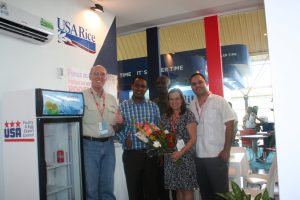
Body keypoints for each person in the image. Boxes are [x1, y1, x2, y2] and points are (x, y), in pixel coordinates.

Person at [189, 72, 234, 200]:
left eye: (200, 82)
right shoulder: (192, 105)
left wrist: (227, 150)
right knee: (205, 193)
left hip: (217, 155)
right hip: (199, 157)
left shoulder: (220, 101)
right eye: (193, 84)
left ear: (206, 83)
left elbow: (230, 125)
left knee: (221, 194)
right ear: (191, 87)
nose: (197, 85)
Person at [116, 76, 161, 200]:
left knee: (152, 191)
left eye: (143, 86)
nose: (139, 89)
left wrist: (158, 143)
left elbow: (159, 130)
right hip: (131, 155)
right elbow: (117, 128)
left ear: (146, 89)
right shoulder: (122, 107)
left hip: (150, 154)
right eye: (137, 85)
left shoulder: (153, 107)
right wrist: (124, 139)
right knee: (134, 191)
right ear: (132, 87)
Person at [82, 65, 123, 200]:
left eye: (102, 74)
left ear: (106, 78)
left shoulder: (111, 99)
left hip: (109, 145)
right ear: (90, 76)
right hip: (89, 146)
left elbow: (116, 128)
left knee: (107, 186)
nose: (99, 77)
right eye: (96, 74)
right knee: (91, 188)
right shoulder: (81, 97)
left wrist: (119, 123)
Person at [161, 88, 198, 200]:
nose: (174, 101)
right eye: (171, 99)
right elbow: (163, 137)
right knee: (177, 188)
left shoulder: (188, 115)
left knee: (187, 189)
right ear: (168, 101)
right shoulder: (165, 116)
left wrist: (180, 153)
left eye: (177, 98)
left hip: (185, 157)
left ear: (182, 99)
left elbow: (193, 138)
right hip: (171, 157)